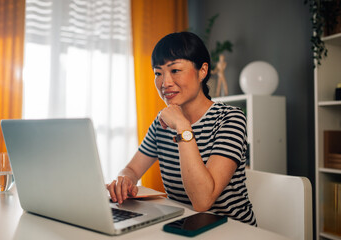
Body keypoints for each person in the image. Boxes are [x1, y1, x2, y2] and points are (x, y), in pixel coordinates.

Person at [106, 32, 257, 226]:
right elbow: (132, 169)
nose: (165, 83)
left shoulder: (230, 118)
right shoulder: (162, 124)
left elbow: (203, 201)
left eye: (175, 70)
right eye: (158, 73)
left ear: (202, 71)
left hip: (233, 230)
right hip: (186, 226)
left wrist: (183, 126)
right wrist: (125, 179)